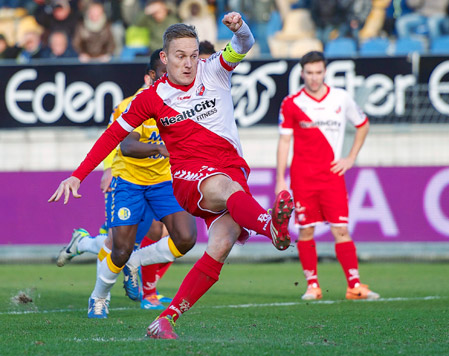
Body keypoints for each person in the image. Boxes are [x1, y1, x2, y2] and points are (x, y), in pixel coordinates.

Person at [49, 12, 294, 338]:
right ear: (165, 58)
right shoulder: (151, 98)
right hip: (189, 177)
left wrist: (241, 28)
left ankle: (166, 319)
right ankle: (270, 227)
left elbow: (245, 44)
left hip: (231, 166)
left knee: (222, 243)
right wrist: (78, 175)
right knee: (224, 187)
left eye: (193, 55)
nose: (189, 63)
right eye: (180, 56)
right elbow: (112, 137)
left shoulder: (216, 69)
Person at [54, 49, 193, 317]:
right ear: (151, 76)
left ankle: (134, 267)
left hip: (163, 181)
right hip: (127, 178)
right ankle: (98, 291)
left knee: (173, 235)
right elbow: (121, 143)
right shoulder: (133, 103)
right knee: (117, 247)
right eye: (165, 74)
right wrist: (106, 170)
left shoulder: (181, 102)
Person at [275, 51, 380, 302]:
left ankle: (354, 285)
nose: (314, 77)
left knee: (341, 229)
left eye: (318, 72)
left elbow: (363, 124)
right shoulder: (291, 103)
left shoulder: (341, 98)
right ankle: (313, 286)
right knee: (306, 231)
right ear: (302, 73)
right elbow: (284, 141)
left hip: (332, 176)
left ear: (325, 72)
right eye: (309, 73)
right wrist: (280, 178)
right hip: (303, 178)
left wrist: (351, 157)